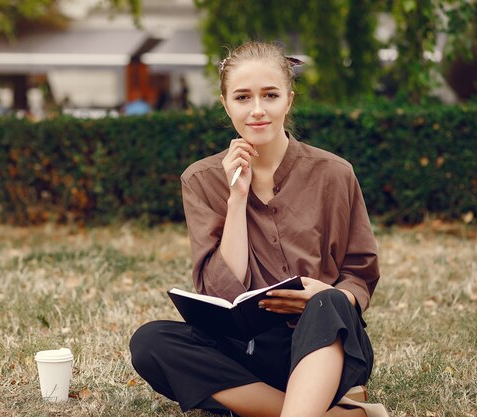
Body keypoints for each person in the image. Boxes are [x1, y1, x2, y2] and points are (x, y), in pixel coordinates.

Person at [129, 41, 389, 417]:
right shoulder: (201, 179)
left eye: (270, 95)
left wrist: (331, 294)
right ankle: (334, 413)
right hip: (246, 353)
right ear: (225, 104)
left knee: (328, 302)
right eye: (242, 97)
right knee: (150, 341)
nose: (257, 110)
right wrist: (236, 198)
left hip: (324, 337)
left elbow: (361, 271)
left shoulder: (335, 173)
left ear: (288, 100)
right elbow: (220, 291)